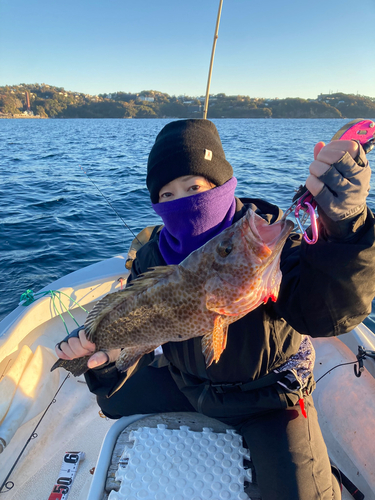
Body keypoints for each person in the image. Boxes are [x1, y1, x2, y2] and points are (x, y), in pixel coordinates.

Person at [56, 119, 375, 500]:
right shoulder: (151, 257)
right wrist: (105, 354)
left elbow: (328, 315)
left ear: (222, 185)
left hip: (270, 400)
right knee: (110, 395)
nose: (184, 202)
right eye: (168, 195)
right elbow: (137, 321)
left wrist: (346, 228)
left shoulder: (263, 241)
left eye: (194, 187)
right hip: (188, 385)